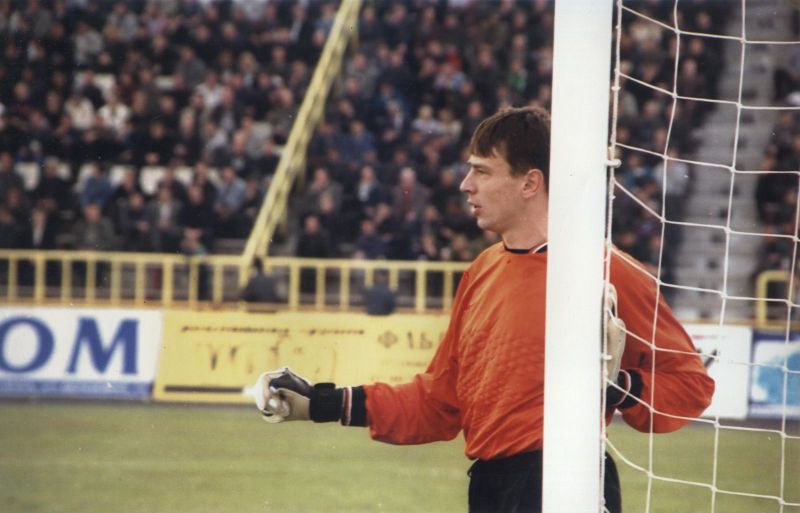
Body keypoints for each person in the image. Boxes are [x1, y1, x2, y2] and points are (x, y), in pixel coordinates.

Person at [254, 107, 715, 513]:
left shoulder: (604, 269)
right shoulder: (482, 271)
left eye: (482, 171)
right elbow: (439, 403)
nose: (465, 185)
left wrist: (620, 388)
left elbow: (691, 385)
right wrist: (325, 403)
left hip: (564, 480)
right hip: (490, 486)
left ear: (530, 182)